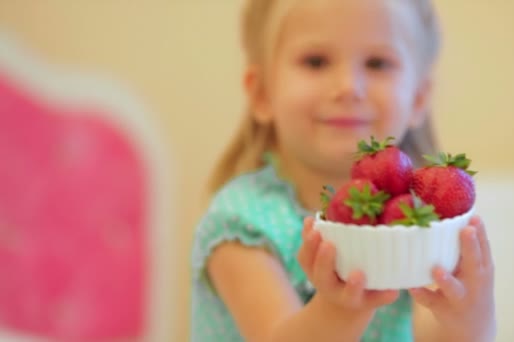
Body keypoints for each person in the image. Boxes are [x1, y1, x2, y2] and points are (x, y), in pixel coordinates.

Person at [191, 0, 496, 340]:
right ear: (262, 93)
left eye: (377, 62)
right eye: (316, 61)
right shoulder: (241, 222)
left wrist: (469, 318)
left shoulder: (416, 218)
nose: (349, 86)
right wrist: (339, 310)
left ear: (419, 97)